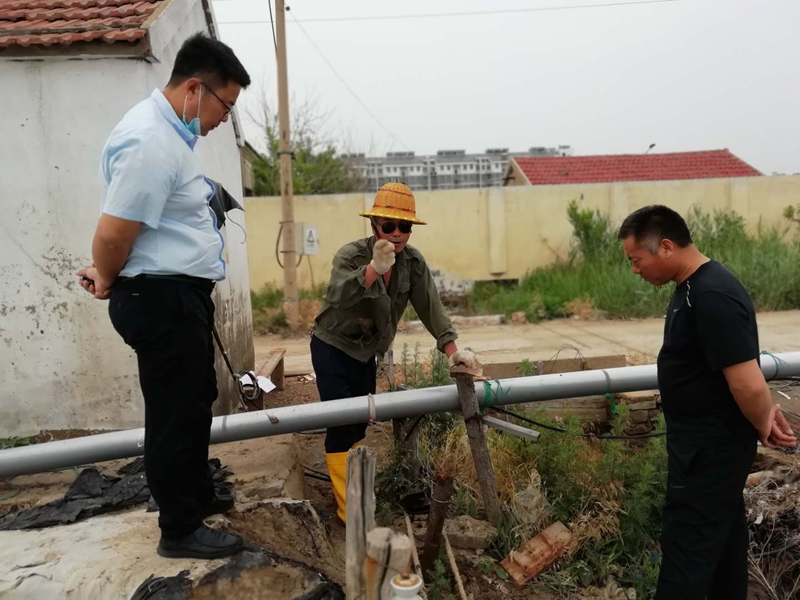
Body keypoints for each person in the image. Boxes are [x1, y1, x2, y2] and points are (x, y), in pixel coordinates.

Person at [76, 33, 251, 559]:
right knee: (174, 414)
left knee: (195, 400)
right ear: (195, 89)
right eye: (225, 105)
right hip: (160, 298)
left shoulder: (173, 139)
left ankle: (195, 493)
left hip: (177, 296)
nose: (224, 118)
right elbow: (113, 235)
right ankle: (180, 528)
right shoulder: (151, 140)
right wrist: (108, 276)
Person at [617, 205, 796, 599]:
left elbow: (748, 383)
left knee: (687, 555)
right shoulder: (692, 288)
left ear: (666, 247)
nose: (634, 269)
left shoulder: (712, 294)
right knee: (724, 551)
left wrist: (763, 420)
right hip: (703, 450)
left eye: (636, 259)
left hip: (709, 455)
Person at [311, 182, 477, 523]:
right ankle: (350, 513)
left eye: (405, 226)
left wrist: (452, 351)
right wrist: (374, 269)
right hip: (333, 347)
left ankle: (355, 489)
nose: (397, 233)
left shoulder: (412, 262)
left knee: (359, 424)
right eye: (389, 226)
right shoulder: (350, 255)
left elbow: (431, 307)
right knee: (340, 424)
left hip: (365, 354)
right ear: (375, 225)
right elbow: (338, 297)